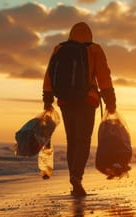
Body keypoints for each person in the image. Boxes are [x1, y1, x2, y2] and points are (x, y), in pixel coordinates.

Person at [42, 22, 116, 197]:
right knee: (83, 141)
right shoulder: (94, 49)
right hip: (87, 100)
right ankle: (77, 177)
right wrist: (110, 100)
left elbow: (49, 75)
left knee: (72, 141)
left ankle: (73, 177)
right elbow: (103, 76)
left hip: (65, 101)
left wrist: (47, 98)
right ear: (89, 35)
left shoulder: (59, 48)